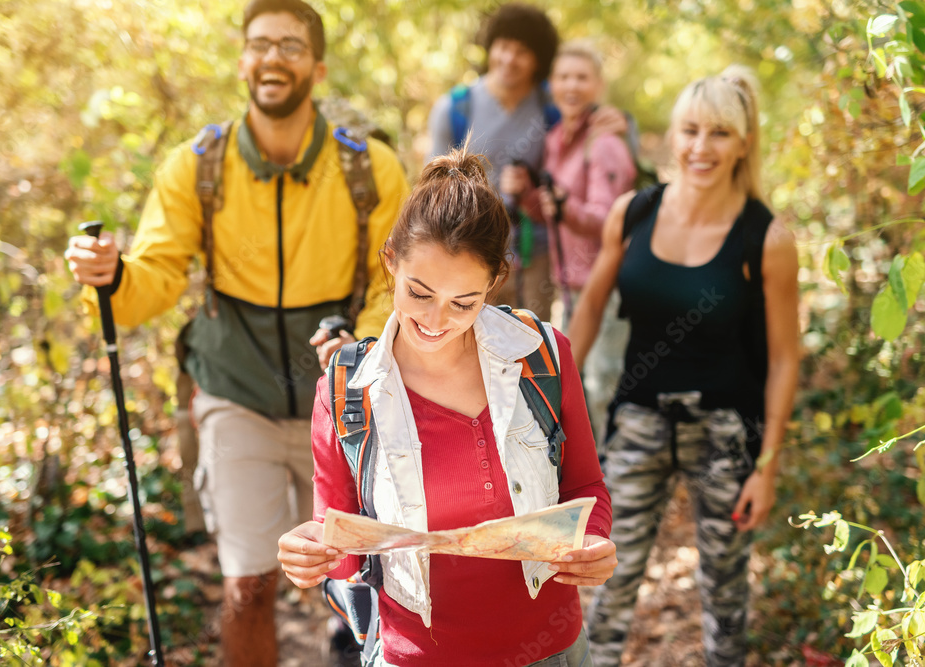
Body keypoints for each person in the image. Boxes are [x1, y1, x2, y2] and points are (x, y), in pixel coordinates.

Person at [64, 1, 408, 664]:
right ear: (243, 59)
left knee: (357, 578)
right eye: (259, 44)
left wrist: (359, 345)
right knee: (248, 580)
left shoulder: (370, 169)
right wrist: (110, 277)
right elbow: (154, 280)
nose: (272, 57)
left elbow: (393, 280)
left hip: (341, 400)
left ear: (317, 65)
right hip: (234, 392)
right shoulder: (198, 166)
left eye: (288, 45)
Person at [277, 148, 617, 666]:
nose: (437, 320)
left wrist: (593, 543)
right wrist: (310, 554)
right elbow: (344, 551)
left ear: (494, 283)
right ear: (391, 259)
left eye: (464, 303)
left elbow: (584, 487)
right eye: (419, 293)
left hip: (550, 649)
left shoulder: (541, 356)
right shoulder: (348, 390)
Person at [567, 65, 799, 666]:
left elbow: (784, 359)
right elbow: (590, 308)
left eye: (719, 133)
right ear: (672, 135)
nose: (701, 147)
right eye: (690, 130)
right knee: (606, 580)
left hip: (725, 432)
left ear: (744, 142)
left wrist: (767, 466)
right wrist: (555, 402)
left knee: (724, 595)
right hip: (639, 422)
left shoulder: (765, 238)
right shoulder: (634, 213)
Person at [427, 3, 624, 322]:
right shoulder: (454, 108)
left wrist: (619, 123)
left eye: (522, 51)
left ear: (539, 60)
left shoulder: (553, 105)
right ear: (490, 47)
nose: (509, 59)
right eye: (503, 47)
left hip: (537, 255)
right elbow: (432, 190)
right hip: (470, 251)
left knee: (532, 349)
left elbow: (594, 131)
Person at [536, 39, 636, 442]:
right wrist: (530, 194)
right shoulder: (557, 138)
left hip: (607, 283)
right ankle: (595, 483)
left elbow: (610, 218)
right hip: (573, 284)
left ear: (598, 85)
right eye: (563, 77)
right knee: (575, 386)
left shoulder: (605, 142)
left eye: (581, 77)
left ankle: (620, 481)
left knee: (603, 385)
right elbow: (554, 209)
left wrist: (565, 206)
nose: (571, 86)